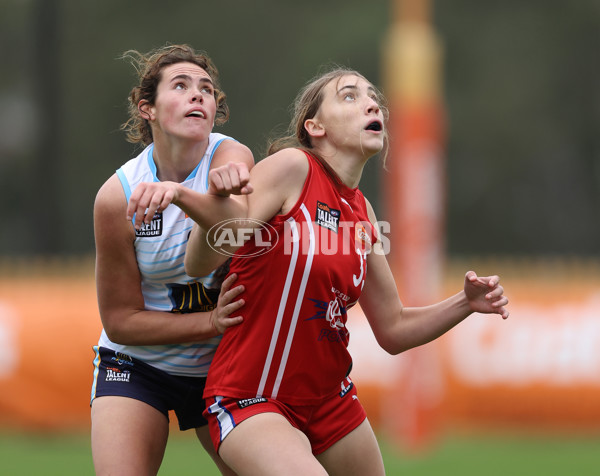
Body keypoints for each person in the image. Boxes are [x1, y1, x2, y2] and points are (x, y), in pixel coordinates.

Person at [127, 67, 509, 476]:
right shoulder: (293, 168)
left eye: (372, 96)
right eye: (349, 95)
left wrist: (465, 304)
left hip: (331, 401)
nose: (371, 102)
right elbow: (199, 261)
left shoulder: (364, 215)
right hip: (253, 397)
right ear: (315, 126)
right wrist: (201, 199)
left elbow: (394, 329)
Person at [90, 44, 254, 476]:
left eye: (206, 89)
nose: (198, 95)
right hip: (139, 365)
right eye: (180, 86)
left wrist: (185, 194)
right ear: (147, 108)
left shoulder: (230, 158)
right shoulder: (117, 197)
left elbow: (235, 231)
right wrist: (210, 323)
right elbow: (121, 320)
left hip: (223, 367)